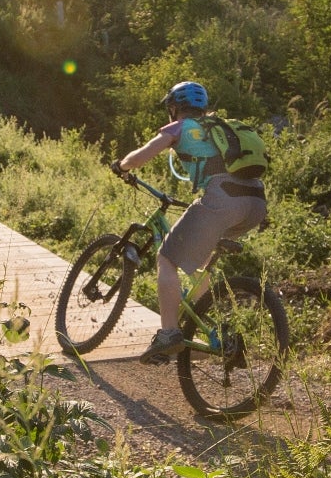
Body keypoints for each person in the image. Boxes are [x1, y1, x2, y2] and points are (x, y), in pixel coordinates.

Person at [114, 80, 270, 364]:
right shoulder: (219, 127)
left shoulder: (179, 128)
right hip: (256, 203)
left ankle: (169, 333)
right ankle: (210, 323)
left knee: (166, 259)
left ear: (174, 108)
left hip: (223, 199)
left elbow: (141, 157)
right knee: (199, 259)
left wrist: (122, 166)